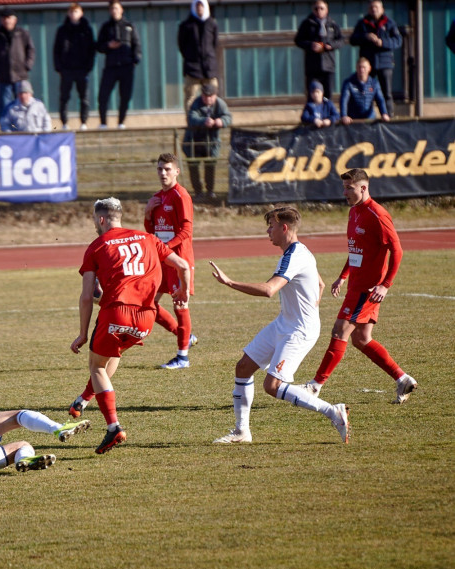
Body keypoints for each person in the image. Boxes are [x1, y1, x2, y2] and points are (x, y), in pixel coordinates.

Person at [210, 207, 350, 444]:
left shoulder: (295, 255)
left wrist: (230, 282)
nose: (268, 231)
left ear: (284, 227)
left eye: (271, 226)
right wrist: (311, 306)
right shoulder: (297, 251)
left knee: (272, 385)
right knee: (243, 367)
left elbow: (269, 290)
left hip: (298, 330)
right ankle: (242, 432)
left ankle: (333, 412)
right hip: (285, 323)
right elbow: (321, 283)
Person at [69, 198, 191, 454]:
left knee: (96, 365)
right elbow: (181, 265)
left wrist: (82, 333)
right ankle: (84, 399)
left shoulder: (96, 246)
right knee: (112, 355)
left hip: (116, 314)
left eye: (94, 220)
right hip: (147, 318)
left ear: (101, 219)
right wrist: (184, 290)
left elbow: (86, 296)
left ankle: (113, 426)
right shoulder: (148, 239)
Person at [301, 168, 417, 404]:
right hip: (355, 286)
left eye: (349, 188)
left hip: (367, 290)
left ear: (363, 188)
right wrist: (343, 276)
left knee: (339, 331)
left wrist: (385, 285)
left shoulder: (377, 214)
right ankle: (402, 379)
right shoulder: (354, 211)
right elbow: (356, 249)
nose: (344, 192)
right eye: (343, 187)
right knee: (361, 339)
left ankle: (314, 386)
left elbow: (397, 250)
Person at [143, 153, 197, 369]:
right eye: (159, 169)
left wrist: (166, 248)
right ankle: (186, 336)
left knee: (180, 304)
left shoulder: (181, 196)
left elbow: (187, 230)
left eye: (167, 169)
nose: (163, 173)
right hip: (162, 260)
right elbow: (152, 231)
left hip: (179, 259)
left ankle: (182, 357)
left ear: (176, 171)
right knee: (149, 303)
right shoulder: (157, 197)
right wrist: (147, 213)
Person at [350, 0, 402, 116]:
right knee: (366, 92)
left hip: (385, 63)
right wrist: (365, 36)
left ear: (382, 9)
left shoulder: (389, 23)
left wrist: (382, 42)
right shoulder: (363, 23)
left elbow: (398, 41)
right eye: (372, 7)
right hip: (368, 64)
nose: (374, 9)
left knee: (386, 93)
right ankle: (366, 117)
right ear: (368, 9)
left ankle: (388, 117)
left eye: (376, 7)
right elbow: (352, 40)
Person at [96, 0, 141, 129]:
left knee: (125, 96)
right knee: (102, 96)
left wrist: (135, 60)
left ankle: (121, 122)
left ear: (121, 10)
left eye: (116, 8)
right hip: (111, 67)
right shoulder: (106, 27)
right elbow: (98, 46)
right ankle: (103, 123)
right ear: (110, 11)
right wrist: (108, 46)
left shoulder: (129, 26)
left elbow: (137, 44)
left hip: (127, 67)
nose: (114, 11)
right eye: (112, 9)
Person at [182, 83, 231, 200]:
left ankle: (210, 191)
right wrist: (203, 121)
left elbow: (228, 117)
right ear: (202, 95)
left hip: (212, 142)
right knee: (193, 166)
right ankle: (198, 191)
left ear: (215, 95)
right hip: (194, 141)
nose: (208, 99)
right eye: (205, 96)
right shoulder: (196, 103)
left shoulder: (220, 104)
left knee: (210, 165)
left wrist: (222, 121)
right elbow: (191, 117)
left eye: (211, 96)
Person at [0, 9, 36, 119]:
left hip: (21, 76)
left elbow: (31, 50)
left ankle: (24, 128)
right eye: (4, 18)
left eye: (9, 18)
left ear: (14, 19)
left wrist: (27, 65)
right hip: (4, 77)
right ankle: (6, 130)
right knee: (4, 106)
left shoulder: (23, 34)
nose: (6, 21)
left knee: (24, 103)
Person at [53, 3, 96, 130]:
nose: (73, 14)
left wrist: (89, 66)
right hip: (66, 70)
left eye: (76, 11)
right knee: (64, 97)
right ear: (68, 14)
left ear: (81, 13)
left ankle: (84, 122)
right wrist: (59, 67)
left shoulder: (87, 30)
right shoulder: (62, 30)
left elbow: (91, 50)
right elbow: (56, 50)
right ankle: (64, 123)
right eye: (71, 12)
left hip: (82, 69)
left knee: (84, 97)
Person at [293, 0, 344, 101]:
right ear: (313, 10)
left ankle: (328, 115)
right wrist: (310, 45)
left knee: (327, 94)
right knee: (313, 93)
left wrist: (331, 45)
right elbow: (298, 40)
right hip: (312, 66)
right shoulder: (307, 24)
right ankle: (313, 115)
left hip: (328, 65)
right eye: (316, 9)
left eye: (321, 8)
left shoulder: (332, 24)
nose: (319, 11)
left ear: (326, 10)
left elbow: (341, 40)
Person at [177, 0, 220, 111]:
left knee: (213, 96)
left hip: (209, 68)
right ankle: (192, 124)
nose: (199, 8)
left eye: (201, 6)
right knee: (190, 97)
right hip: (192, 68)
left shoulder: (212, 24)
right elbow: (181, 45)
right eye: (197, 6)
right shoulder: (186, 25)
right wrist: (191, 57)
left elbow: (215, 44)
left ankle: (212, 121)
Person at [339, 57, 390, 125]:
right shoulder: (348, 83)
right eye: (359, 67)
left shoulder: (374, 83)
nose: (362, 70)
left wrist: (384, 113)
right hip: (353, 121)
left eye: (364, 67)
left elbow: (380, 100)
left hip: (370, 120)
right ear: (356, 68)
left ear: (369, 68)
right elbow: (344, 100)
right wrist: (344, 116)